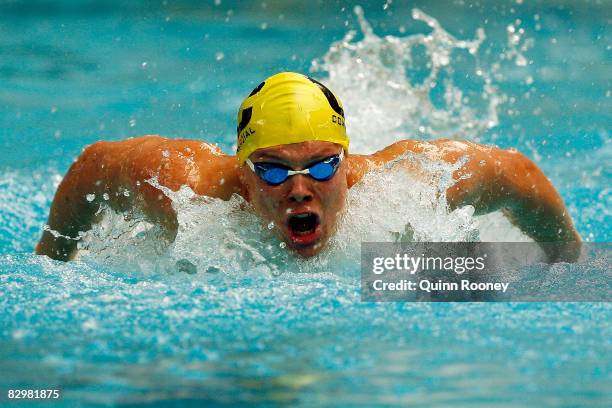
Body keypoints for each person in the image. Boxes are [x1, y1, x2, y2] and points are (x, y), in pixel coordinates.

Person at [36, 72, 581, 262]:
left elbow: (516, 174)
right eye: (273, 170)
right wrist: (53, 262)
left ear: (346, 162)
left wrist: (566, 262)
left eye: (321, 167)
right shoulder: (192, 193)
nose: (299, 189)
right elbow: (94, 165)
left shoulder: (404, 187)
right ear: (244, 172)